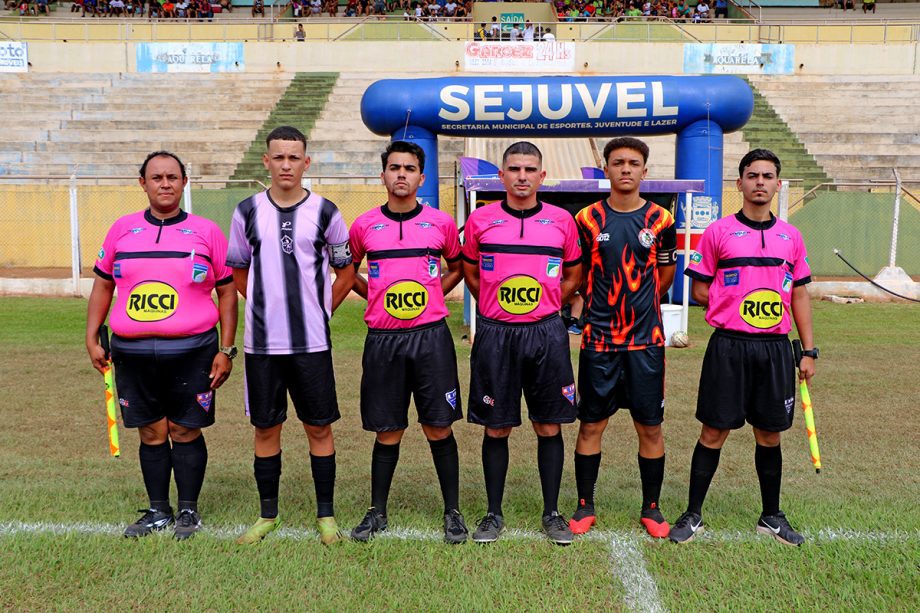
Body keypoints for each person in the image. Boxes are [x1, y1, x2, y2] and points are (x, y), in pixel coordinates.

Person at [86, 151, 238, 540]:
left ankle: (188, 511)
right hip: (132, 354)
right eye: (156, 177)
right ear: (143, 184)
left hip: (193, 351)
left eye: (172, 177)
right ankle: (158, 510)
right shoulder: (122, 229)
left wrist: (227, 348)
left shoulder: (207, 232)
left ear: (184, 183)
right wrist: (92, 334)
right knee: (151, 432)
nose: (165, 183)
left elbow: (227, 293)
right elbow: (104, 284)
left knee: (184, 430)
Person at [669, 149, 817, 546]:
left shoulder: (791, 236)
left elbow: (800, 296)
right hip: (730, 347)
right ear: (740, 183)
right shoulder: (718, 232)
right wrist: (733, 300)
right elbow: (699, 288)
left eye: (768, 176)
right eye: (752, 175)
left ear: (777, 184)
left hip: (774, 349)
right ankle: (693, 513)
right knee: (714, 430)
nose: (760, 182)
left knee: (769, 435)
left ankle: (771, 516)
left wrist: (808, 350)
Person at [227, 126, 356, 546]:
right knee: (266, 429)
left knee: (318, 427)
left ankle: (326, 517)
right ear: (266, 161)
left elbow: (346, 269)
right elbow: (238, 269)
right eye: (278, 157)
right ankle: (268, 515)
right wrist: (265, 305)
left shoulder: (326, 212)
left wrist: (322, 309)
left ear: (306, 162)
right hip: (262, 344)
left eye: (293, 157)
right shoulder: (246, 211)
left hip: (311, 344)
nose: (286, 164)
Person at [462, 142, 583, 546]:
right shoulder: (481, 220)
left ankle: (551, 513)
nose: (522, 176)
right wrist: (496, 305)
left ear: (542, 176)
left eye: (530, 169)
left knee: (548, 424)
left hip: (546, 332)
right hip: (496, 332)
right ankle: (493, 514)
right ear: (502, 175)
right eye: (514, 169)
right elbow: (470, 271)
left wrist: (549, 303)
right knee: (497, 428)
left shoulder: (562, 221)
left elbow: (573, 274)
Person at [348, 141, 468, 544]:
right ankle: (376, 511)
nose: (402, 174)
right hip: (384, 339)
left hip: (430, 338)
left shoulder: (440, 223)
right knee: (388, 430)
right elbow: (348, 274)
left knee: (438, 427)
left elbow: (459, 266)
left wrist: (435, 290)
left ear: (421, 177)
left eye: (410, 168)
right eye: (394, 167)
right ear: (383, 176)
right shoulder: (364, 226)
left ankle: (452, 512)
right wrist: (375, 295)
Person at [568, 138, 676, 539]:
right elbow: (578, 278)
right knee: (591, 425)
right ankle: (584, 505)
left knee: (649, 427)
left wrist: (642, 304)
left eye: (633, 163)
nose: (626, 169)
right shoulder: (586, 220)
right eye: (618, 163)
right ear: (607, 170)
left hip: (646, 342)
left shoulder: (662, 221)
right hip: (599, 341)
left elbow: (663, 277)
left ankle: (652, 507)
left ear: (644, 171)